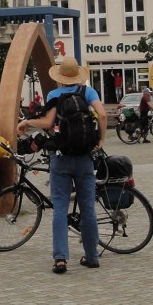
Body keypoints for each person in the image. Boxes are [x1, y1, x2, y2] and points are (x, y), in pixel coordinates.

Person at [17, 56, 106, 273]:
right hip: (84, 158)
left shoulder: (55, 95)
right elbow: (102, 115)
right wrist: (100, 141)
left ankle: (60, 259)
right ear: (77, 75)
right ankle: (92, 256)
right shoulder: (88, 93)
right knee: (88, 208)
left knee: (59, 208)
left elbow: (48, 123)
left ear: (60, 77)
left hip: (61, 157)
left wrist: (28, 122)